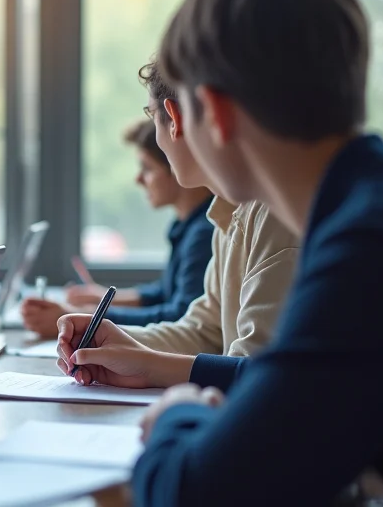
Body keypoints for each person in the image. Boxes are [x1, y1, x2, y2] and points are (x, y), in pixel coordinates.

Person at [56, 0, 383, 506]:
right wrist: (142, 359)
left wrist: (178, 418)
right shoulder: (373, 209)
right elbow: (283, 378)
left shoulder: (368, 251)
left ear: (213, 114)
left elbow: (202, 492)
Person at [24, 57, 299, 364]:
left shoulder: (271, 214)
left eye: (152, 116)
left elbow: (254, 369)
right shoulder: (228, 213)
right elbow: (203, 332)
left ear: (174, 118)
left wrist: (143, 363)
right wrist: (109, 335)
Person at [22, 118, 214, 335]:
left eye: (147, 168)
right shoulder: (187, 225)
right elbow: (164, 292)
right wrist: (102, 297)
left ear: (177, 164)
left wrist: (87, 318)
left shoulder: (204, 233)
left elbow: (179, 316)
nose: (138, 179)